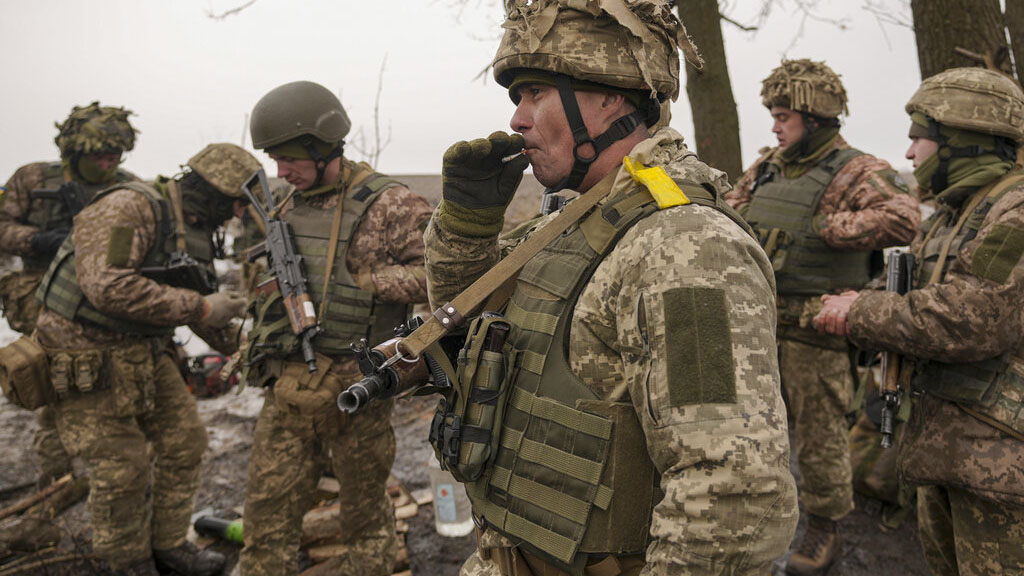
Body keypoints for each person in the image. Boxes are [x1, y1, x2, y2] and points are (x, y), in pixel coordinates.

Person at [422, 1, 799, 574]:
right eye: (516, 99)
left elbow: (731, 493)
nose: (518, 120)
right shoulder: (577, 221)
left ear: (610, 97)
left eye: (536, 94)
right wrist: (467, 226)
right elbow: (458, 327)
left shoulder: (685, 244)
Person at [815, 67, 1024, 576]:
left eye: (919, 139)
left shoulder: (1015, 210)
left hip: (1003, 468)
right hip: (955, 455)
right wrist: (855, 300)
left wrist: (860, 313)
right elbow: (912, 292)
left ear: (962, 141)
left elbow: (976, 316)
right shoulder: (955, 216)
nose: (909, 155)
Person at [723, 58, 920, 575]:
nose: (774, 125)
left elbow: (905, 217)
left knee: (819, 442)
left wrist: (826, 227)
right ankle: (752, 517)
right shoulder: (767, 166)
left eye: (783, 115)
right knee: (747, 432)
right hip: (758, 327)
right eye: (772, 114)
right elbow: (731, 210)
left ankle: (824, 527)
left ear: (814, 118)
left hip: (818, 331)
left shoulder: (856, 169)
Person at [32, 143, 257, 576]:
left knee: (184, 441)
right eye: (234, 204)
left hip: (143, 350)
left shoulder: (189, 225)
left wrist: (250, 353)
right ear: (210, 191)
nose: (237, 215)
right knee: (122, 467)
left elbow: (198, 305)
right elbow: (107, 287)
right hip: (83, 354)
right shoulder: (130, 207)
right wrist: (202, 307)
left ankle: (169, 545)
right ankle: (127, 562)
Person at [239, 80, 432, 576]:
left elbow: (447, 277)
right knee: (266, 517)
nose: (281, 172)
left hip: (357, 391)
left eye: (290, 160)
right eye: (274, 161)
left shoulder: (390, 204)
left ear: (324, 147)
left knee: (365, 516)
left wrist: (369, 282)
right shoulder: (283, 204)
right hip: (288, 387)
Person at [0, 102, 138, 488]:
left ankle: (113, 470)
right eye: (100, 156)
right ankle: (58, 476)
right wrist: (37, 240)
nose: (109, 164)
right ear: (76, 152)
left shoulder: (127, 184)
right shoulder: (30, 178)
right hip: (39, 293)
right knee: (53, 381)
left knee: (105, 382)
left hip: (101, 297)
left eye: (116, 155)